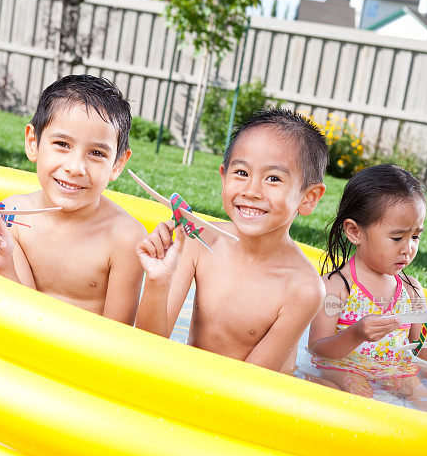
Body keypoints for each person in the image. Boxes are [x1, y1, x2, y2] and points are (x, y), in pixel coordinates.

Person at [136, 108, 327, 373]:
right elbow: (149, 347)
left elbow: (248, 385)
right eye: (241, 173)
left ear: (309, 197)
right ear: (223, 176)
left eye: (273, 179)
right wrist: (157, 281)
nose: (251, 191)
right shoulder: (200, 241)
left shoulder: (303, 288)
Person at [0, 75, 146, 324]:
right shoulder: (13, 216)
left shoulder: (125, 238)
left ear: (117, 164)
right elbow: (21, 315)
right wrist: (2, 266)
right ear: (33, 143)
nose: (76, 167)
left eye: (96, 153)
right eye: (62, 144)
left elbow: (120, 341)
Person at [308, 164, 427, 409]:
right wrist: (356, 333)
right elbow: (318, 350)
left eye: (415, 237)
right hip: (345, 367)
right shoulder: (337, 286)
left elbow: (425, 352)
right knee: (360, 401)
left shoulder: (412, 290)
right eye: (397, 237)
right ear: (355, 232)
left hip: (395, 370)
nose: (408, 248)